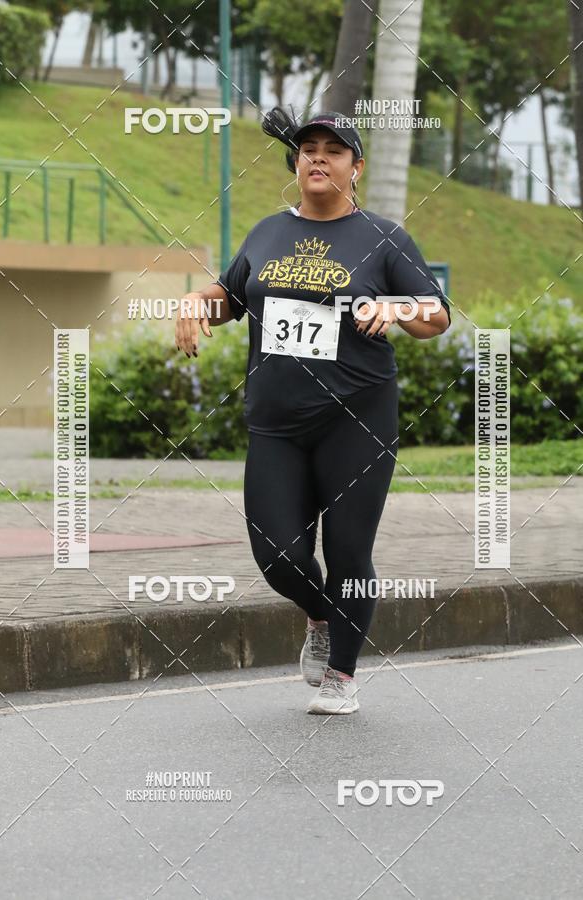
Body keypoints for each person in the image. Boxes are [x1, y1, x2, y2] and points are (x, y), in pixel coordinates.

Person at [175, 107, 450, 715]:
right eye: (308, 148)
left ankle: (341, 676)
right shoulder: (267, 233)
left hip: (357, 418)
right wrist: (196, 301)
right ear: (296, 163)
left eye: (334, 149)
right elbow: (230, 299)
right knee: (278, 555)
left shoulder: (382, 238)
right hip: (276, 421)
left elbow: (437, 316)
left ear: (356, 167)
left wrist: (396, 309)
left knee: (348, 552)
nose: (318, 157)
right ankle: (322, 618)